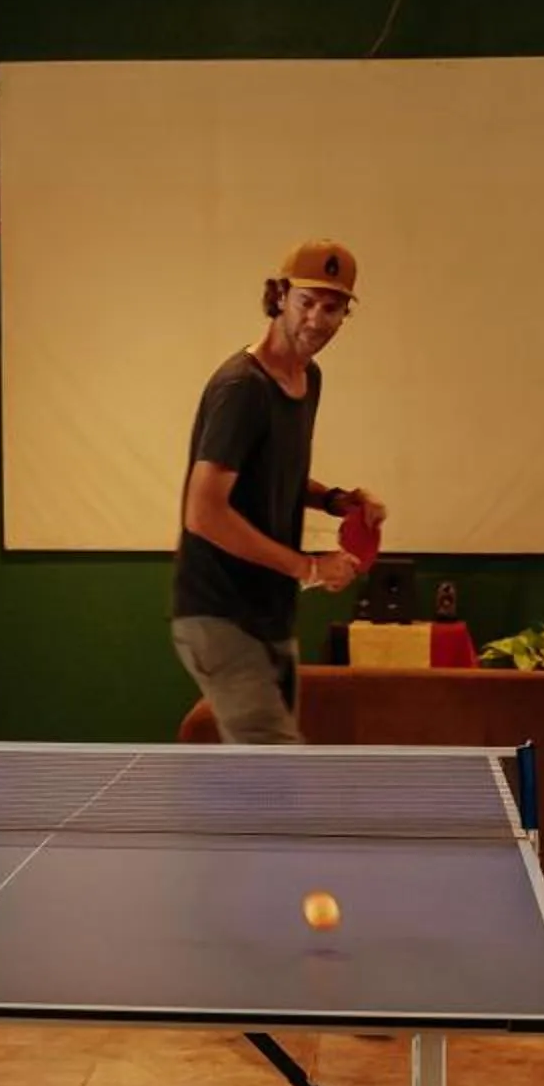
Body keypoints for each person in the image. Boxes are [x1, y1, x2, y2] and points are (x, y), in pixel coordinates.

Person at [169, 238, 391, 744]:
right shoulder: (241, 388)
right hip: (219, 613)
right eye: (306, 302)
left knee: (264, 775)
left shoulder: (308, 379)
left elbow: (275, 474)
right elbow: (203, 513)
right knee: (274, 768)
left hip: (269, 611)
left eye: (332, 308)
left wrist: (338, 500)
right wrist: (309, 567)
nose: (316, 319)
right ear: (280, 296)